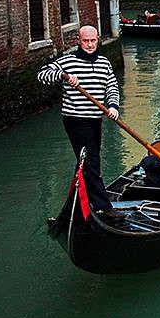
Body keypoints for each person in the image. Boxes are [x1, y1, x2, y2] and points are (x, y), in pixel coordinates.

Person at [37, 25, 124, 221]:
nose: (90, 44)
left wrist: (113, 106)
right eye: (86, 41)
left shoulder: (104, 63)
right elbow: (42, 75)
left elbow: (111, 86)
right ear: (79, 40)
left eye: (93, 41)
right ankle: (103, 207)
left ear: (98, 40)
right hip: (75, 120)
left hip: (95, 120)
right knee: (91, 161)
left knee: (85, 162)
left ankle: (77, 203)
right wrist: (63, 76)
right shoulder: (67, 61)